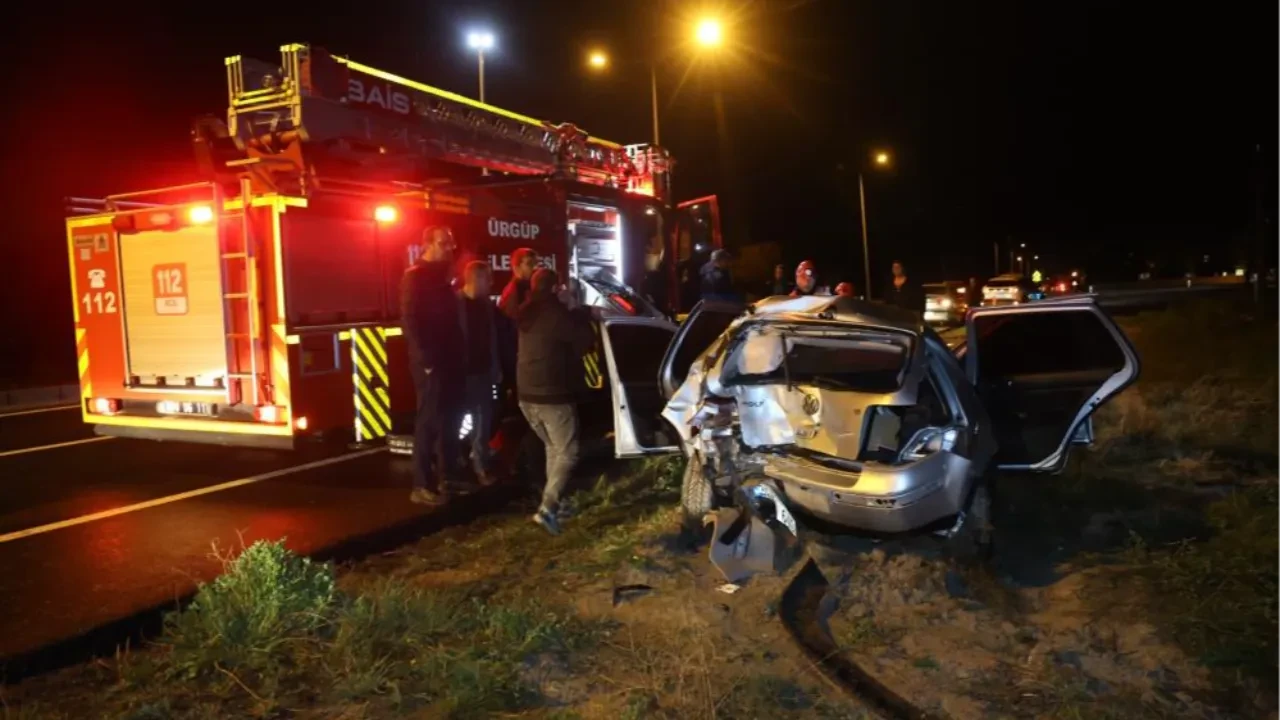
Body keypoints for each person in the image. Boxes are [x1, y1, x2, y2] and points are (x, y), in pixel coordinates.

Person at [516, 268, 596, 535]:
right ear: (554, 289)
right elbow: (584, 342)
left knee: (553, 449)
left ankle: (555, 502)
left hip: (527, 395)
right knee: (569, 452)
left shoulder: (528, 310)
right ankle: (547, 509)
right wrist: (579, 311)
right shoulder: (556, 314)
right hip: (552, 395)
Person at [401, 226, 466, 506]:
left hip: (450, 359)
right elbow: (411, 320)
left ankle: (448, 477)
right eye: (443, 243)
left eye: (451, 243)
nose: (448, 248)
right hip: (432, 362)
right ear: (426, 245)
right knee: (428, 421)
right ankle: (421, 484)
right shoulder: (415, 278)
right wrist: (426, 360)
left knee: (450, 420)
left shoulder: (443, 277)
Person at [457, 261, 503, 487]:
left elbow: (492, 338)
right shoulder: (455, 304)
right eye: (488, 279)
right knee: (455, 422)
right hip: (460, 376)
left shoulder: (486, 305)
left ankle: (480, 465)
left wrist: (495, 368)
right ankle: (455, 466)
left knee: (483, 422)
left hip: (483, 372)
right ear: (476, 279)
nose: (491, 284)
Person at [498, 247, 539, 319]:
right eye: (529, 263)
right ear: (516, 267)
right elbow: (511, 319)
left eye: (536, 263)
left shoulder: (531, 286)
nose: (535, 267)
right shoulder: (512, 291)